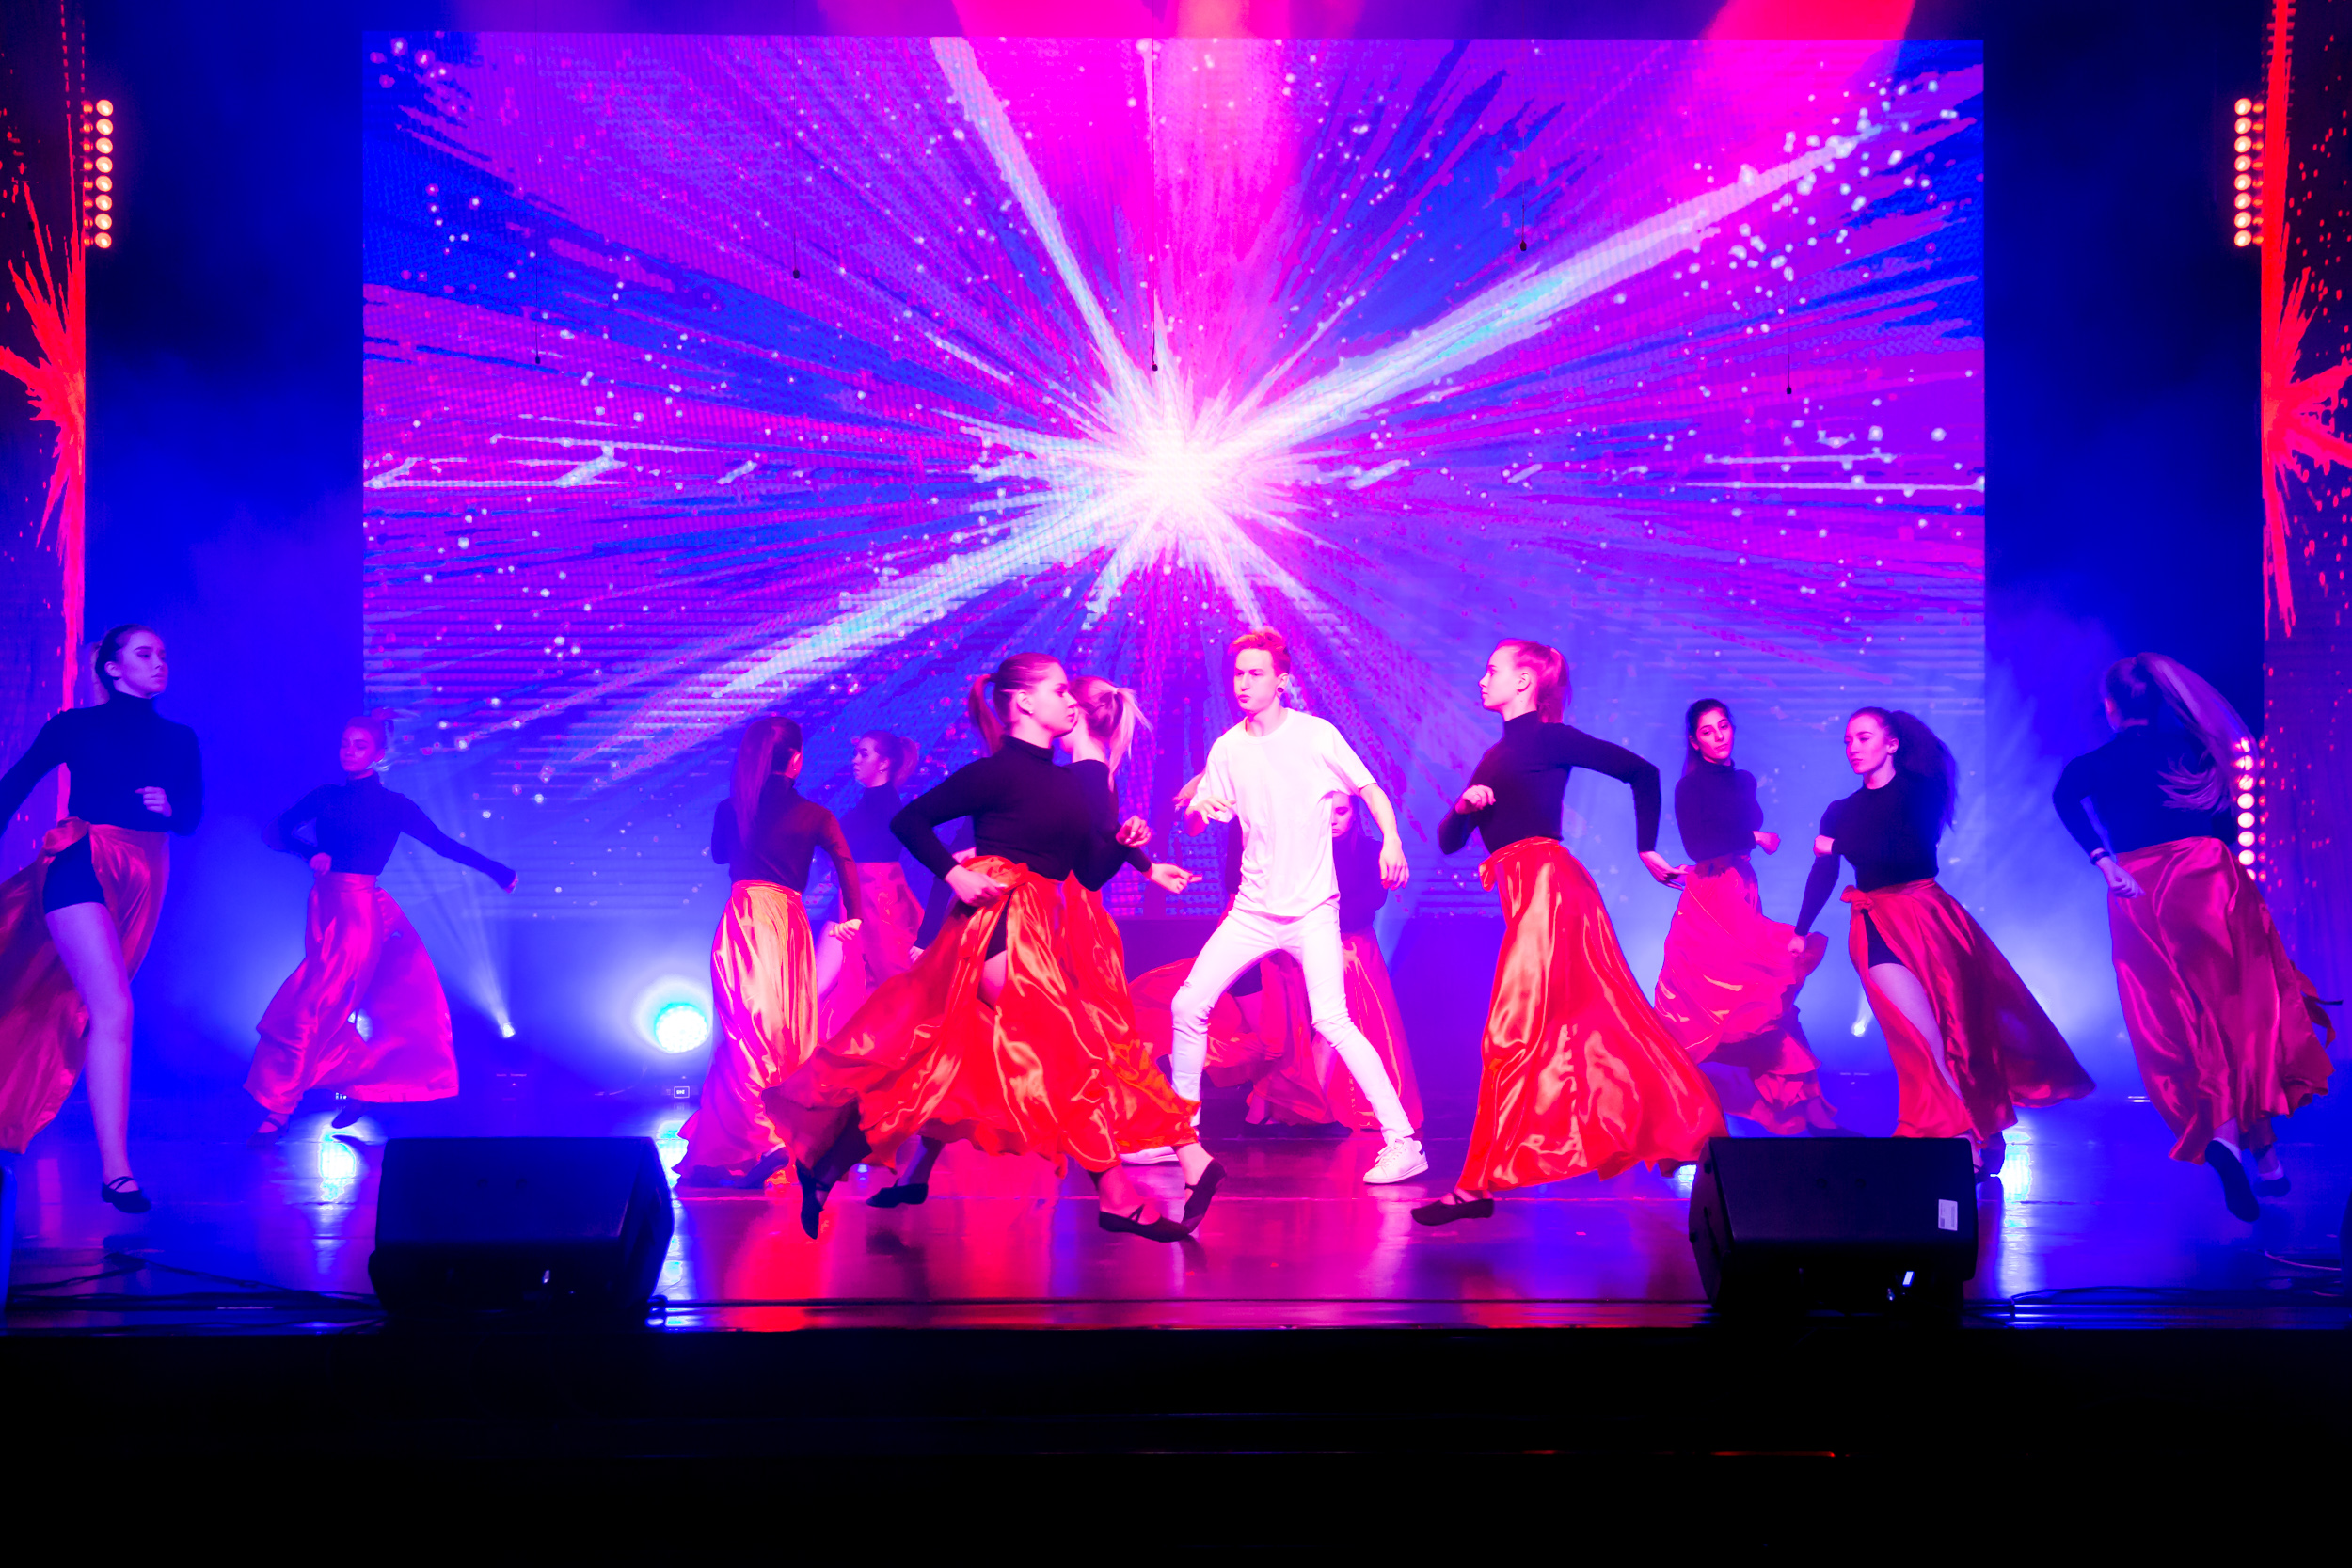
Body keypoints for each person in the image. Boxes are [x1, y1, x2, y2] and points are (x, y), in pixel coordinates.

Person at [771, 655, 1202, 1242]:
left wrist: (1127, 844)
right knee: (1068, 1048)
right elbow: (910, 822)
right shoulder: (996, 773)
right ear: (1024, 703)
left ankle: (825, 1165)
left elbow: (1087, 872)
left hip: (1037, 926)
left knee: (938, 1066)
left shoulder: (1069, 783)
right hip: (994, 925)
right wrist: (954, 873)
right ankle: (1115, 1196)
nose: (1070, 700)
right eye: (1058, 690)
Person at [1418, 640, 1722, 1225]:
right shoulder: (1494, 756)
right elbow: (1451, 842)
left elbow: (1643, 772)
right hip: (1528, 897)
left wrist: (1647, 848)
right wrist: (1463, 806)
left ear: (1524, 681)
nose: (1482, 679)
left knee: (1509, 1034)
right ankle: (1690, 1123)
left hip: (1550, 893)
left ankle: (1474, 1187)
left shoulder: (1551, 738)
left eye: (1492, 669)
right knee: (1602, 1023)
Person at [2053, 654, 2332, 1219]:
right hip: (2206, 879)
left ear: (2110, 707)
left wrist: (2103, 860)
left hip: (2139, 888)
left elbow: (2064, 796)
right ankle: (2252, 1150)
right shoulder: (2195, 753)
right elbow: (2224, 824)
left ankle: (2246, 1146)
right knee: (2237, 1011)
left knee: (2185, 1019)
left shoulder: (2097, 763)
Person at [1168, 628, 1427, 1186]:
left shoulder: (1315, 736)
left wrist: (1392, 840)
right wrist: (1197, 809)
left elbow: (1370, 790)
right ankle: (1180, 1137)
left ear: (1281, 680)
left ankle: (1404, 1143)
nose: (1243, 683)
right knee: (1188, 1005)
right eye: (1238, 674)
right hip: (1252, 911)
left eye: (1256, 673)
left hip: (1311, 910)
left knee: (1332, 1019)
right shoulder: (1228, 748)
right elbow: (1197, 819)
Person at [1795, 707, 2092, 1175]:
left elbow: (1902, 850)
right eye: (1847, 740)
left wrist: (1837, 845)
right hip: (1874, 923)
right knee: (1916, 1036)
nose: (1853, 747)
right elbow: (1824, 873)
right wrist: (1800, 929)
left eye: (1864, 737)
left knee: (1962, 1032)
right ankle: (1958, 1137)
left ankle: (1983, 1127)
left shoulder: (1920, 791)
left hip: (1929, 917)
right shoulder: (1840, 811)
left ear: (1891, 744)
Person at [0, 625, 201, 1212]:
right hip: (82, 859)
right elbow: (14, 787)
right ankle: (117, 1172)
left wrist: (172, 807)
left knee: (79, 1006)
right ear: (113, 669)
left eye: (163, 654)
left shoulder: (180, 738)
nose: (159, 662)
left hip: (142, 874)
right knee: (114, 1007)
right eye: (144, 654)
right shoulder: (74, 726)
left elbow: (191, 817)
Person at [248, 712, 516, 1143]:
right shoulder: (325, 796)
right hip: (323, 908)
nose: (349, 752)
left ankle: (279, 1109)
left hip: (358, 915)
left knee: (315, 1005)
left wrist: (497, 871)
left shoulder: (394, 806)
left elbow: (442, 845)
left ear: (378, 754)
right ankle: (364, 1080)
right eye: (344, 744)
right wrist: (309, 853)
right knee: (321, 1002)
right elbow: (274, 832)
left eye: (360, 746)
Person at [677, 716, 861, 1188]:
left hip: (746, 919)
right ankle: (766, 1141)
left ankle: (764, 1141)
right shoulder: (814, 814)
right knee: (784, 1034)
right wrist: (855, 915)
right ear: (796, 760)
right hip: (789, 924)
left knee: (747, 1033)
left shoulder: (732, 808)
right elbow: (845, 862)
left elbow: (720, 855)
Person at [1651, 699, 1840, 1134]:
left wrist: (1747, 841)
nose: (1719, 736)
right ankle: (1690, 1110)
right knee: (1724, 995)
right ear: (1694, 742)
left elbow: (1727, 834)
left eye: (1724, 726)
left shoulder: (1744, 780)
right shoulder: (1689, 787)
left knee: (1764, 996)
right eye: (1708, 731)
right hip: (1712, 894)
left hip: (1741, 887)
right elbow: (1699, 846)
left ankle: (1800, 1107)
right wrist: (1753, 836)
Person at [817, 731, 928, 1038]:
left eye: (863, 754)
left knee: (883, 992)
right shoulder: (867, 808)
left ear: (884, 763)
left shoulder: (890, 811)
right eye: (856, 753)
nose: (855, 760)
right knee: (822, 990)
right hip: (855, 903)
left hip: (878, 906)